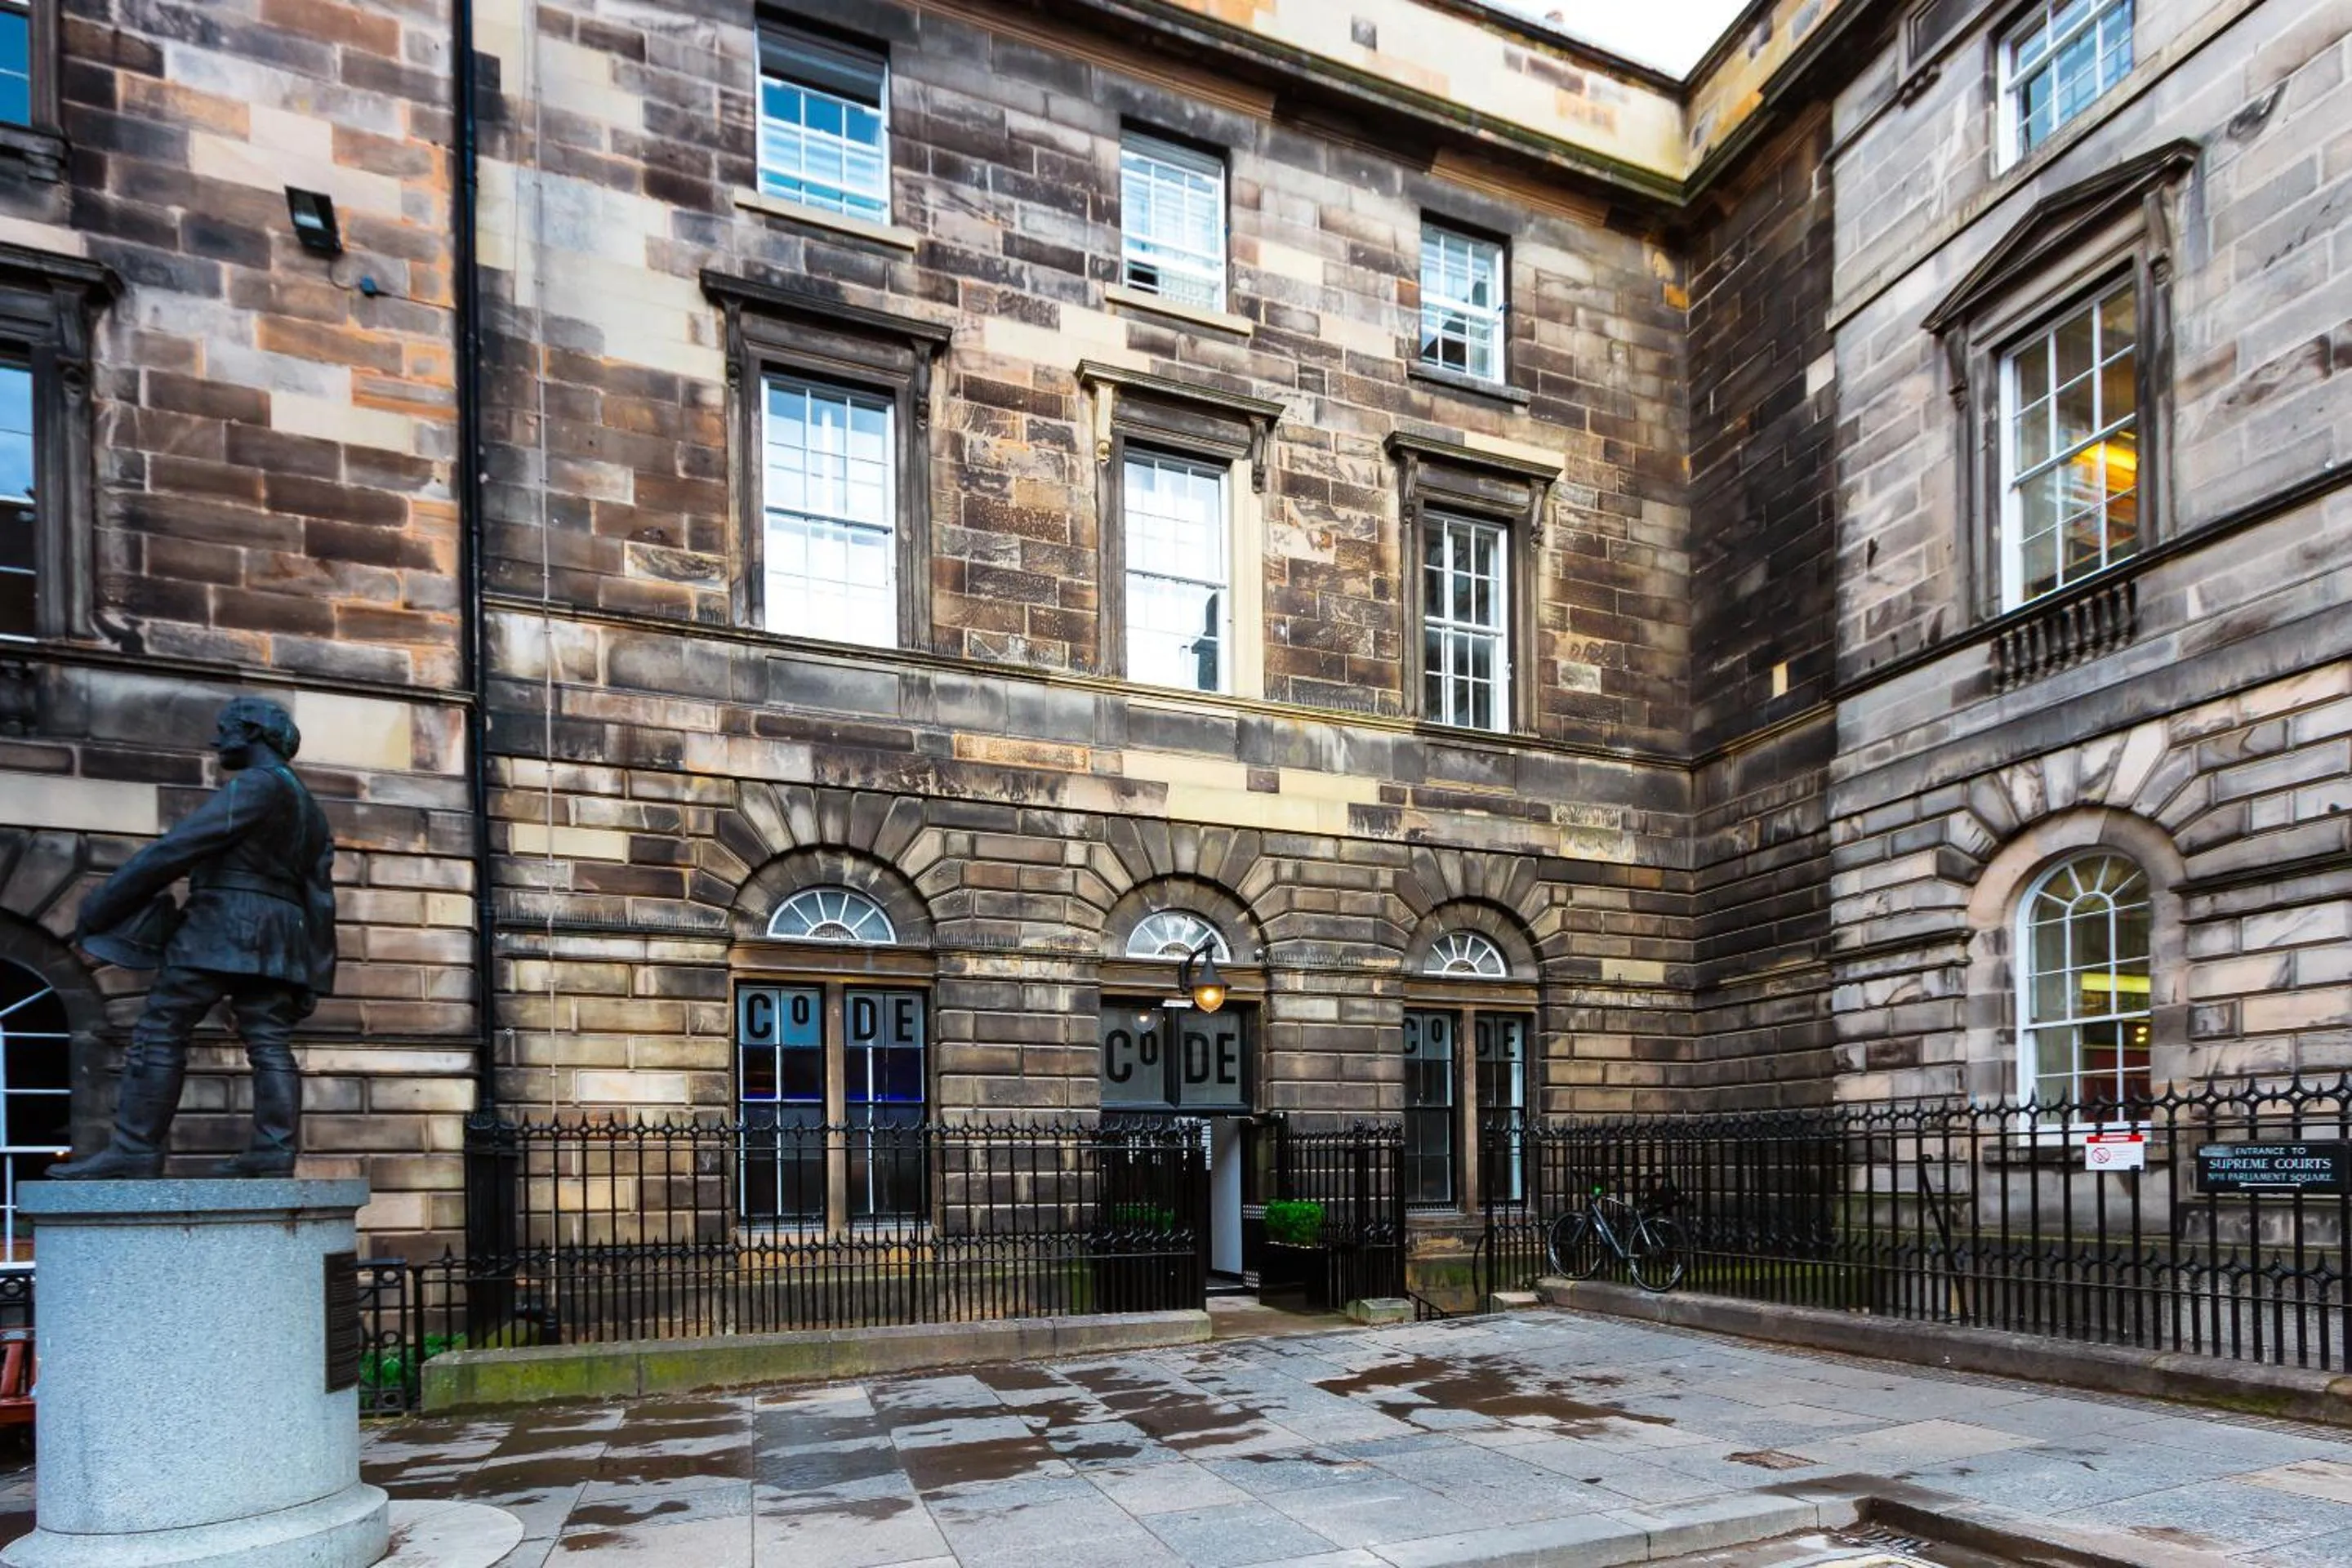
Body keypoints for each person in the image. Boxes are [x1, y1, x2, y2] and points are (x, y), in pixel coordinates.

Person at [51, 697, 336, 1179]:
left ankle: (135, 1149)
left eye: (225, 729)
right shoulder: (310, 809)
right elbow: (322, 898)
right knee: (268, 1040)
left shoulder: (256, 785)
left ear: (251, 732)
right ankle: (274, 1150)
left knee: (161, 1028)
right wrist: (316, 971)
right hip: (282, 937)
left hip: (224, 925)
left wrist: (102, 905)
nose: (215, 738)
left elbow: (177, 848)